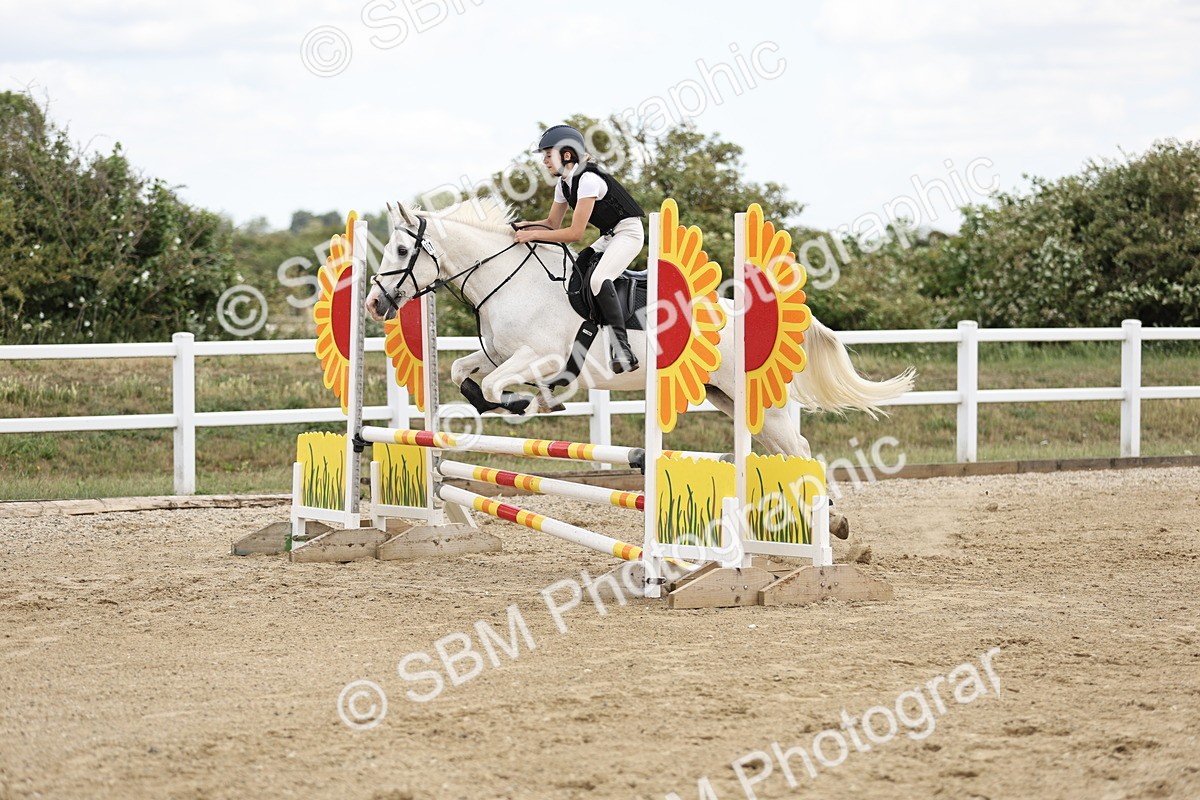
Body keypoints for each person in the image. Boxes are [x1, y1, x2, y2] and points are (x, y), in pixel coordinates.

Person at [514, 124, 646, 373]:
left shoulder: (588, 179)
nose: (544, 161)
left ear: (566, 154)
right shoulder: (564, 184)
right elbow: (552, 224)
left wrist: (531, 235)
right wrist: (522, 226)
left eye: (547, 154)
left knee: (598, 279)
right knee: (577, 273)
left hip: (628, 233)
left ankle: (622, 349)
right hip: (609, 236)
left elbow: (574, 234)